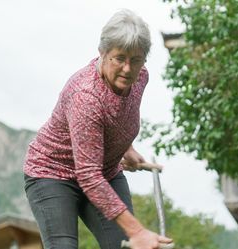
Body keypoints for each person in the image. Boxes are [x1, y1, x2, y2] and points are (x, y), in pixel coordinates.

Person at [23, 9, 173, 249]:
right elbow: (88, 175)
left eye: (135, 59)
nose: (127, 68)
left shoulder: (140, 77)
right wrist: (138, 230)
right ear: (102, 53)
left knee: (124, 246)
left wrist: (126, 147)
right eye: (119, 58)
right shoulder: (86, 96)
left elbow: (121, 113)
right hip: (53, 173)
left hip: (104, 171)